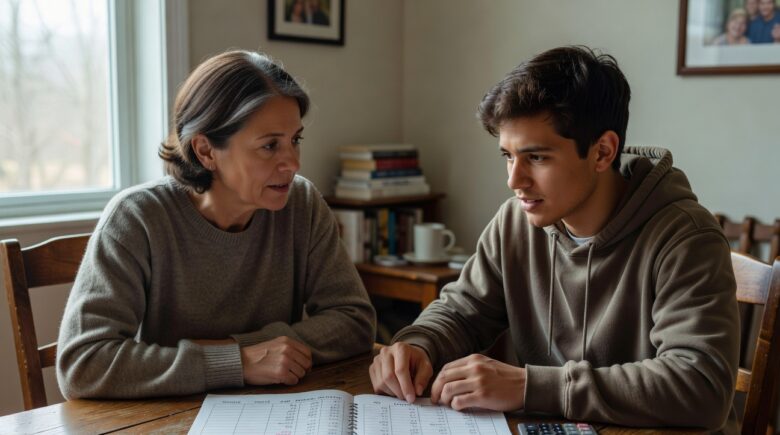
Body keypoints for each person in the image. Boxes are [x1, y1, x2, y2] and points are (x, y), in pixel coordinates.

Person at [369, 46, 740, 433]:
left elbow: (702, 387)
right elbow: (462, 312)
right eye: (508, 157)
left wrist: (531, 386)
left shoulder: (686, 237)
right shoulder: (515, 221)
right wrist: (418, 343)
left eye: (537, 158)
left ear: (602, 151)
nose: (515, 180)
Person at [57, 50, 376, 399]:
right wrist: (236, 362)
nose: (294, 163)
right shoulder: (136, 218)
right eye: (270, 146)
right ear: (206, 151)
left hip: (276, 408)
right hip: (164, 417)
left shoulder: (302, 203)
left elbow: (355, 321)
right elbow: (83, 363)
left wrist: (238, 348)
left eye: (295, 140)